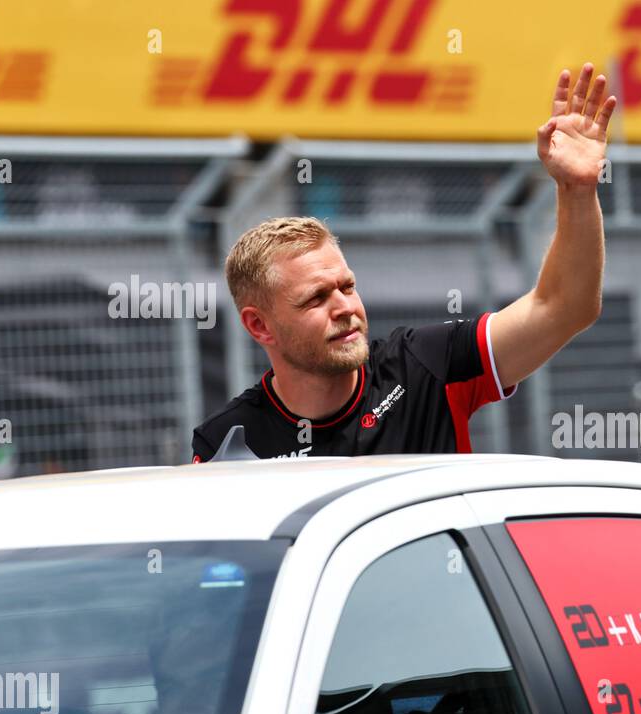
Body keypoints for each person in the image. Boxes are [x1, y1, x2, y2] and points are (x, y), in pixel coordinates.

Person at [192, 64, 616, 462]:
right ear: (259, 326)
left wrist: (576, 190)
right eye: (316, 298)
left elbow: (563, 307)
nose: (345, 308)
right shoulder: (229, 444)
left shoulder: (424, 365)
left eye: (347, 286)